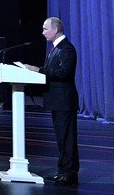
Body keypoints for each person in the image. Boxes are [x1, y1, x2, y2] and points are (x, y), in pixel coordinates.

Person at [26, 17, 80, 185]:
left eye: (45, 29)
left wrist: (39, 70)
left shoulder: (67, 49)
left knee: (67, 138)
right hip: (57, 101)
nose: (43, 32)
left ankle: (70, 172)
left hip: (64, 101)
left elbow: (64, 73)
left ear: (55, 30)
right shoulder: (55, 48)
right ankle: (62, 170)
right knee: (61, 138)